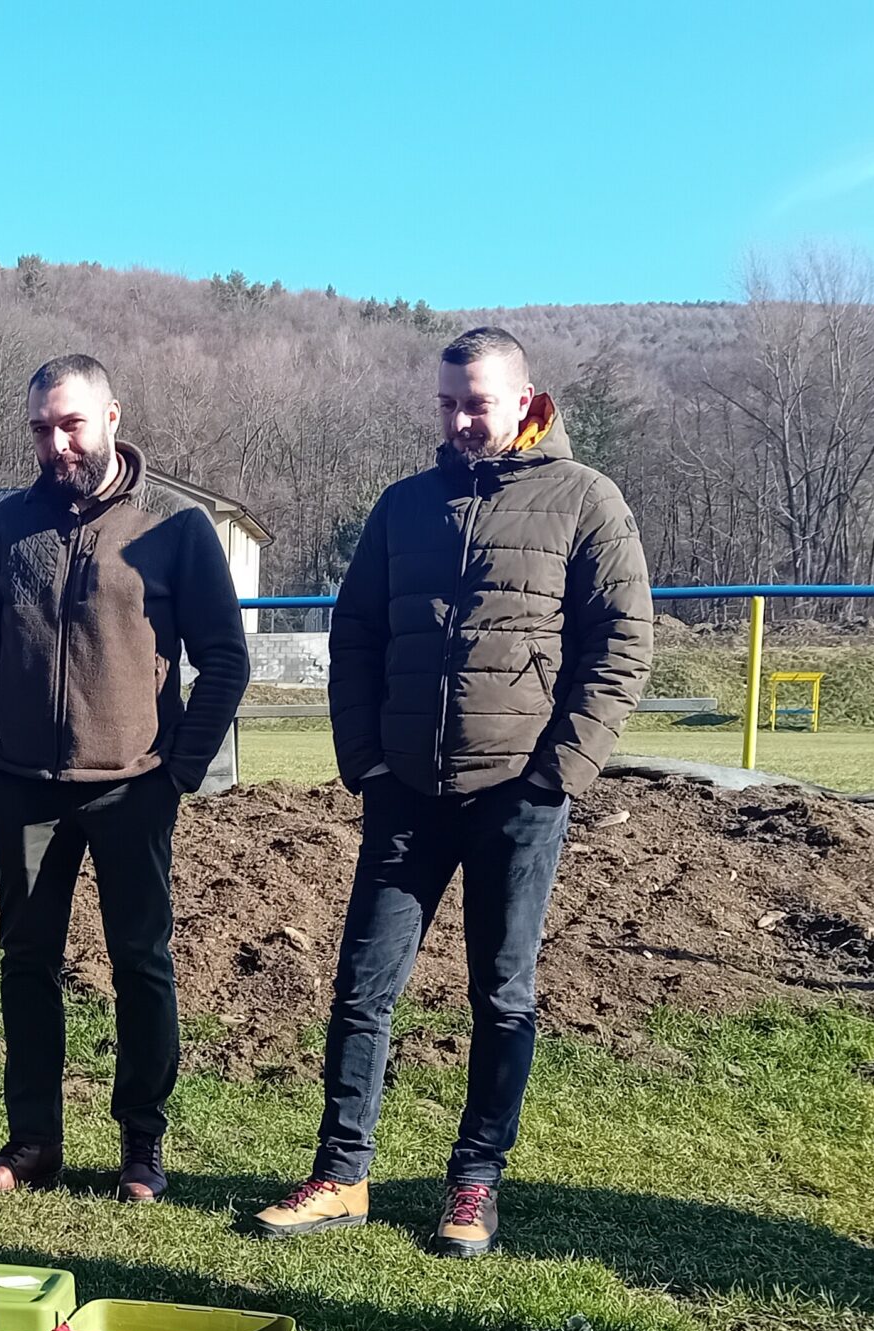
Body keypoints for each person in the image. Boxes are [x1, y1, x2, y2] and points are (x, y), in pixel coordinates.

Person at [252, 326, 652, 1254]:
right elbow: (355, 636)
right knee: (362, 988)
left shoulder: (586, 499)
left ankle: (475, 1181)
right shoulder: (403, 507)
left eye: (477, 403)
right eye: (447, 404)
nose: (461, 420)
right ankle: (341, 1173)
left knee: (501, 994)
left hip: (519, 794)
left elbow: (622, 644)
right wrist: (366, 759)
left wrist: (560, 771)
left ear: (526, 403)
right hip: (405, 792)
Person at [0, 354, 250, 1201]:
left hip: (133, 787)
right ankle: (32, 1145)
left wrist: (178, 770)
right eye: (41, 429)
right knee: (27, 962)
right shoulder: (10, 525)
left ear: (112, 417)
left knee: (141, 963)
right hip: (25, 788)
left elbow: (225, 660)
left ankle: (141, 1147)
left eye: (71, 424)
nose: (56, 444)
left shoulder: (176, 528)